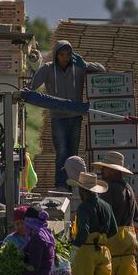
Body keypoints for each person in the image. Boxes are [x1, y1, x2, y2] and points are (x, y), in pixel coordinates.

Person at [30, 41, 106, 190]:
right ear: (56, 55)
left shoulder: (78, 68)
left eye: (68, 54)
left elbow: (102, 70)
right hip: (58, 119)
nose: (65, 58)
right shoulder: (48, 69)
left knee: (73, 154)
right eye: (61, 54)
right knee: (62, 152)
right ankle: (60, 185)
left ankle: (73, 185)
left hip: (75, 118)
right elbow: (32, 86)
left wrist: (86, 65)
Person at [67, 172, 118, 275]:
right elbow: (114, 230)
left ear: (83, 191)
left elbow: (83, 231)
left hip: (86, 250)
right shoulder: (106, 206)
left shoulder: (84, 207)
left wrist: (75, 250)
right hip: (103, 251)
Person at [94, 152, 138, 275]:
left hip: (112, 243)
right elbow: (134, 218)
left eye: (105, 169)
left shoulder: (108, 189)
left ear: (114, 171)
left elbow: (104, 216)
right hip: (128, 243)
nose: (103, 171)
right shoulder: (129, 189)